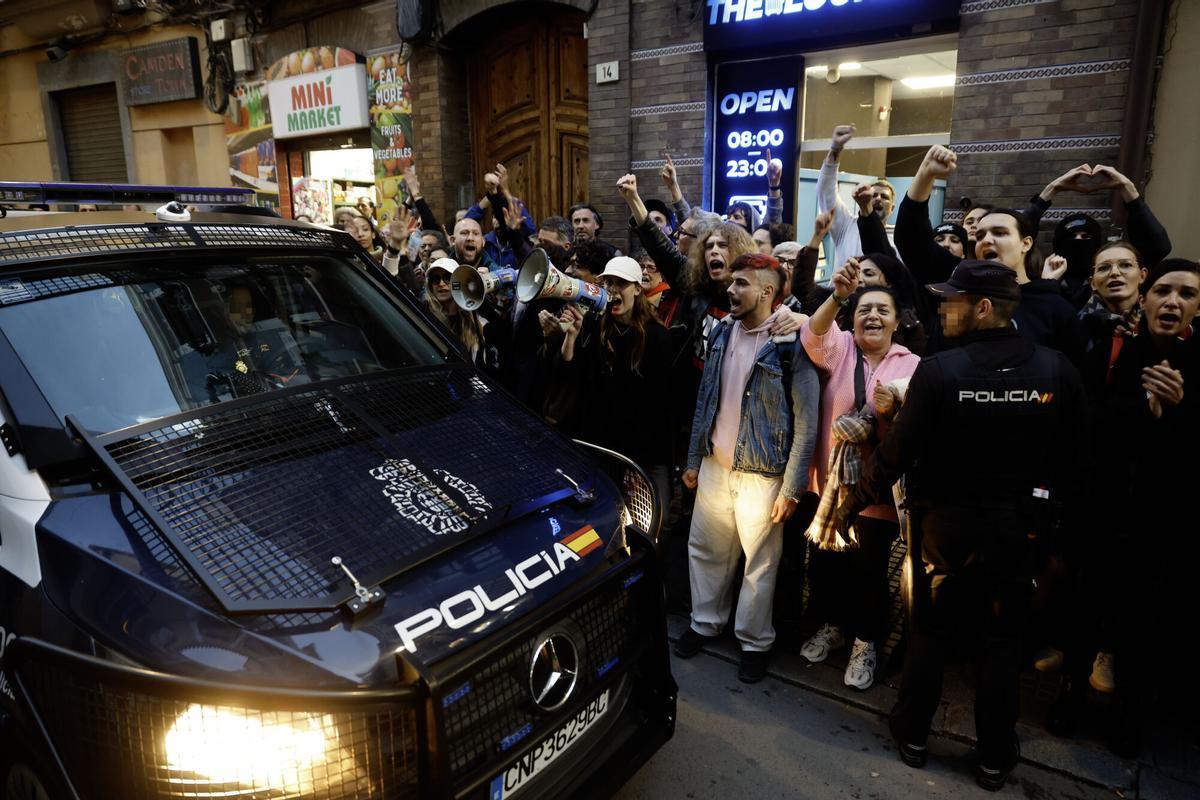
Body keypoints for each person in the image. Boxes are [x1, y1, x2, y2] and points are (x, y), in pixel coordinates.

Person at [835, 259, 1088, 791]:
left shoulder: (942, 369)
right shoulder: (1055, 368)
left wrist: (852, 501)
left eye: (953, 299)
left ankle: (913, 733)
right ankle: (995, 757)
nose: (944, 307)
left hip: (945, 529)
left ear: (984, 308)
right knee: (1002, 645)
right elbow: (1075, 459)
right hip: (1019, 532)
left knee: (930, 635)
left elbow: (896, 454)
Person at [1049, 258, 1198, 759]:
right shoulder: (1111, 352)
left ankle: (1127, 715)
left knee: (1142, 624)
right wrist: (1142, 411)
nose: (1172, 302)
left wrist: (1177, 414)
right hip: (1101, 515)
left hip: (1163, 526)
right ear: (1146, 298)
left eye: (1186, 294)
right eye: (1163, 292)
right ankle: (1069, 697)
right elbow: (1085, 427)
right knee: (1084, 611)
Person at [674, 253, 819, 683]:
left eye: (741, 283)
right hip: (716, 466)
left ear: (767, 291)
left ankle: (755, 642)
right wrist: (694, 459)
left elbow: (806, 421)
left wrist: (792, 487)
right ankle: (705, 623)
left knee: (759, 564)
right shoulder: (722, 332)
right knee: (706, 552)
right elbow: (706, 399)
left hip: (763, 475)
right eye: (732, 282)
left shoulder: (792, 343)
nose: (731, 290)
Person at [798, 259, 921, 690]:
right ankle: (833, 627)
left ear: (897, 320)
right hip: (829, 484)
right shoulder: (840, 348)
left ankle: (865, 643)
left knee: (869, 571)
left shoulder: (913, 365)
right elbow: (812, 333)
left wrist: (894, 407)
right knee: (827, 564)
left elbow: (918, 424)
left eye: (882, 310)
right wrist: (837, 296)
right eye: (865, 309)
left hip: (876, 491)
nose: (873, 316)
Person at [549, 256, 674, 518]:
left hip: (642, 452)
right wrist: (570, 337)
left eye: (622, 284)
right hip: (601, 446)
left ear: (638, 289)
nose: (614, 290)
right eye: (609, 283)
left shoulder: (657, 336)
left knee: (648, 522)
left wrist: (635, 462)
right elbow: (574, 377)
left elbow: (657, 404)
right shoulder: (595, 326)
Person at [818, 124, 897, 267]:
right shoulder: (847, 226)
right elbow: (826, 191)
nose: (878, 199)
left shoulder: (900, 238)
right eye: (874, 195)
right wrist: (835, 149)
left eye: (884, 197)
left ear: (893, 208)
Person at [423, 257, 490, 367]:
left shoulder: (476, 319)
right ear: (430, 285)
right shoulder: (424, 314)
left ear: (459, 281)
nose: (441, 284)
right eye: (435, 279)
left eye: (448, 278)